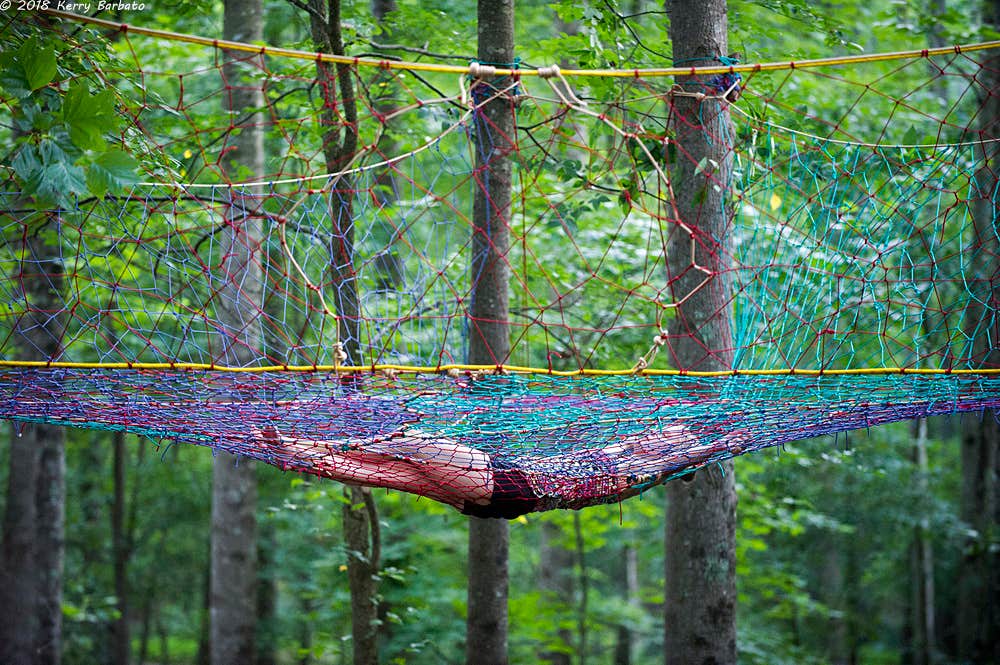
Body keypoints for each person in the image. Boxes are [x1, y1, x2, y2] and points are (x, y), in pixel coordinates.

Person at [252, 418, 747, 519]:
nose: (663, 433)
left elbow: (680, 459)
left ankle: (305, 441)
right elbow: (665, 439)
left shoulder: (639, 475)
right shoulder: (625, 455)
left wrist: (721, 445)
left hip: (510, 485)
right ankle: (292, 451)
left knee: (411, 444)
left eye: (672, 437)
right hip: (498, 497)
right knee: (381, 473)